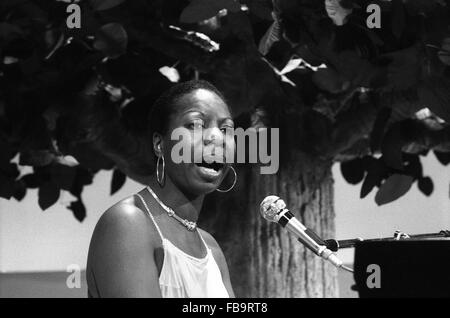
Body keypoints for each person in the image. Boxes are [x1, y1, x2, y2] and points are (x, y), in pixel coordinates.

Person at [86, 80, 236, 298]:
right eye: (196, 124)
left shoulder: (211, 250)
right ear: (160, 144)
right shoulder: (129, 222)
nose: (217, 138)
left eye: (226, 129)